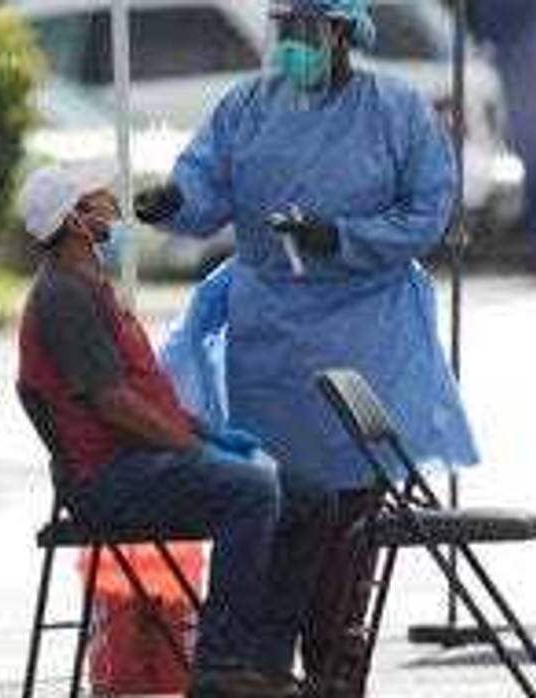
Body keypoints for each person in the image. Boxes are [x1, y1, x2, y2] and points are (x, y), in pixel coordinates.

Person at [135, 0, 479, 694]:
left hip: (363, 328)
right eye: (282, 30)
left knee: (350, 522)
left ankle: (333, 664)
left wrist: (341, 238)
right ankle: (267, 669)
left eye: (304, 31)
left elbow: (426, 211)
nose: (290, 44)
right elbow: (204, 184)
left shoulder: (396, 111)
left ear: (344, 32)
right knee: (274, 509)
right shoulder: (248, 105)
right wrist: (173, 203)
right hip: (269, 339)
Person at [16, 160, 296, 697]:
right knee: (253, 492)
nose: (108, 204)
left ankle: (270, 656)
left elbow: (145, 395)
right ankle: (221, 665)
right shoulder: (62, 297)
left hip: (141, 463)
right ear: (74, 220)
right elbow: (112, 403)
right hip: (108, 480)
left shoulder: (90, 284)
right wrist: (193, 448)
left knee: (303, 493)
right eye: (94, 197)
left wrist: (209, 435)